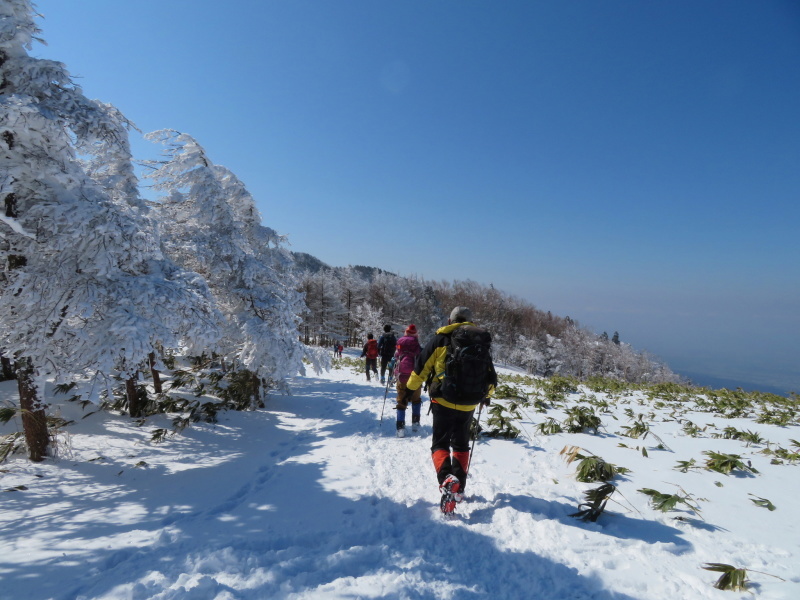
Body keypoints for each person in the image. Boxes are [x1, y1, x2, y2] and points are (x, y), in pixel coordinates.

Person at [404, 306, 496, 512]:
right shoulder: (480, 341)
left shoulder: (442, 338)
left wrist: (409, 390)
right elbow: (490, 373)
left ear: (450, 320)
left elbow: (421, 366)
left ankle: (447, 479)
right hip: (470, 403)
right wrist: (486, 396)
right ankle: (459, 487)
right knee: (462, 444)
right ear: (470, 321)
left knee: (440, 443)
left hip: (443, 400)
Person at [393, 323, 422, 437]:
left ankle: (400, 428)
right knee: (416, 399)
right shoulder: (416, 344)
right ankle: (415, 423)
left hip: (401, 375)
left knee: (401, 401)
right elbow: (420, 357)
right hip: (414, 376)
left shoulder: (399, 342)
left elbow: (396, 356)